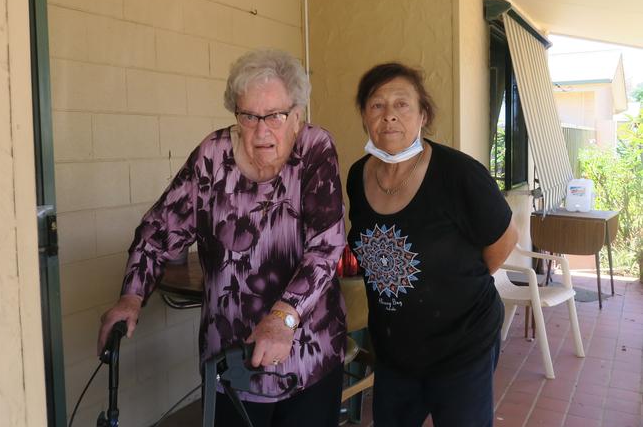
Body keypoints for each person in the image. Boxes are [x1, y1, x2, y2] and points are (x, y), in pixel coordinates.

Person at [97, 49, 347, 426]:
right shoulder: (212, 157)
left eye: (275, 116)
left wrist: (283, 319)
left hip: (307, 355)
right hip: (229, 357)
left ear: (297, 116)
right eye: (248, 115)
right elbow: (158, 230)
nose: (261, 130)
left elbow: (326, 248)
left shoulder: (314, 150)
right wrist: (131, 295)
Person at [346, 62, 518, 427]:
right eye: (377, 105)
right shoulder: (357, 176)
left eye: (402, 104)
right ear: (364, 116)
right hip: (394, 351)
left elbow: (504, 240)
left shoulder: (459, 175)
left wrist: (457, 283)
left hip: (462, 346)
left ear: (423, 115)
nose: (389, 116)